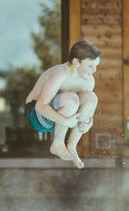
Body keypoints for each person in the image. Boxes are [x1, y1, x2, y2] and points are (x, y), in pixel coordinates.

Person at [24, 39, 101, 169]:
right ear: (76, 62)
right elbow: (40, 105)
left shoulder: (88, 81)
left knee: (91, 98)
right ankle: (57, 144)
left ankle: (71, 145)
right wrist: (65, 122)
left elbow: (86, 108)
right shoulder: (60, 74)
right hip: (36, 115)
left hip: (60, 120)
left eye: (96, 65)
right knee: (71, 99)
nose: (94, 70)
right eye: (90, 65)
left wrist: (88, 123)